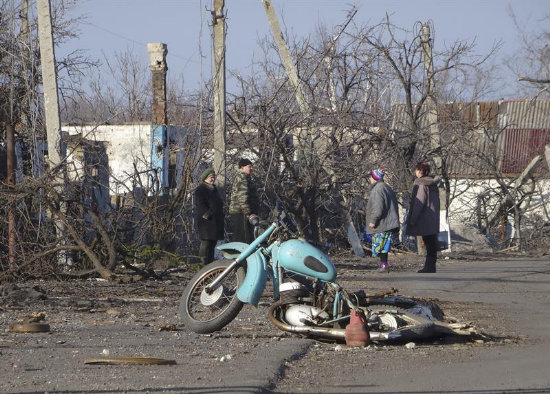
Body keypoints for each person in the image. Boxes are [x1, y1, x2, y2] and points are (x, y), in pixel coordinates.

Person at [405, 161, 441, 273]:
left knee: (428, 242)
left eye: (417, 169)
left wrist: (413, 219)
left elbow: (419, 202)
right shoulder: (432, 184)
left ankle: (429, 267)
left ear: (420, 171)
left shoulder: (421, 184)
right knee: (431, 242)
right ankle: (431, 265)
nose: (415, 172)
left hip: (424, 218)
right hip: (432, 217)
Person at [364, 168, 400, 273]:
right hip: (388, 222)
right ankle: (384, 265)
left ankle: (384, 266)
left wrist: (373, 220)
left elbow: (378, 207)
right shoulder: (386, 187)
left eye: (371, 177)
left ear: (375, 178)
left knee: (380, 246)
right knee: (384, 246)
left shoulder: (377, 189)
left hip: (382, 222)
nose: (370, 179)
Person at [194, 168, 224, 266]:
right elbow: (201, 205)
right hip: (206, 222)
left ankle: (209, 266)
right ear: (206, 178)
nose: (213, 179)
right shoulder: (201, 189)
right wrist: (208, 213)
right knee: (206, 243)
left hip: (215, 222)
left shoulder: (214, 189)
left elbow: (218, 203)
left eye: (214, 177)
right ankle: (203, 264)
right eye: (211, 177)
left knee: (212, 244)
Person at [229, 158, 260, 243]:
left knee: (245, 238)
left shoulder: (245, 177)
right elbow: (243, 198)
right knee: (243, 239)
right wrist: (248, 213)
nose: (251, 168)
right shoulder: (242, 178)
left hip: (241, 212)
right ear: (242, 167)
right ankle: (241, 256)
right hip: (241, 213)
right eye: (249, 166)